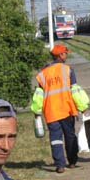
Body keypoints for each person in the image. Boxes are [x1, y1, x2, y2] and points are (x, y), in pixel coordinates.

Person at [33, 44, 79, 173]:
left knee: (55, 138)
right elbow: (75, 90)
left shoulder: (43, 73)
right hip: (66, 109)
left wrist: (37, 111)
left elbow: (39, 94)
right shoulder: (68, 70)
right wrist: (81, 106)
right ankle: (72, 161)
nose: (67, 55)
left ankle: (60, 165)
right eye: (65, 53)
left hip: (51, 111)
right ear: (60, 55)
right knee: (70, 136)